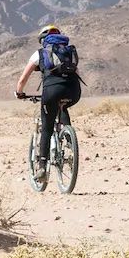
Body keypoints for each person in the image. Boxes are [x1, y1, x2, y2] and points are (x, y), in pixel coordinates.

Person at [15, 24, 83, 187]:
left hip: (52, 91)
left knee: (46, 127)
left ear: (43, 39)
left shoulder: (40, 53)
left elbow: (23, 79)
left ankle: (42, 168)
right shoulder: (69, 52)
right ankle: (67, 137)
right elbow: (77, 74)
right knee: (63, 106)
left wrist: (19, 92)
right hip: (74, 91)